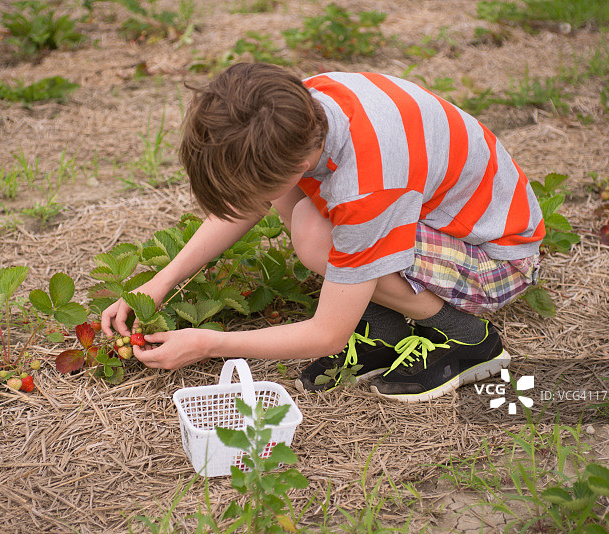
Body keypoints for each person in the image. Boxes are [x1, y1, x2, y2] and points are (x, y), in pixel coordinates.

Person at [101, 62, 544, 402]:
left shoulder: (368, 183)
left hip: (498, 259)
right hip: (441, 218)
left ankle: (466, 339)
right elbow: (247, 203)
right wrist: (159, 283)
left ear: (296, 166)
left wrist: (210, 344)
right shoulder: (296, 108)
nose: (245, 199)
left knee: (314, 236)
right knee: (305, 217)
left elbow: (327, 333)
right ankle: (383, 331)